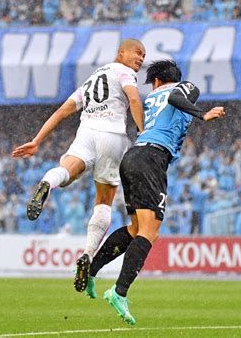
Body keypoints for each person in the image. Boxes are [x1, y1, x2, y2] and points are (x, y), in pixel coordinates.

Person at [84, 59, 224, 325]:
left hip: (133, 156)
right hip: (151, 158)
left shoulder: (149, 100)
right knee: (150, 231)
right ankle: (119, 291)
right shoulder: (184, 87)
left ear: (156, 81)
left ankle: (92, 269)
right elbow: (174, 96)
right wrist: (203, 114)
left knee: (136, 228)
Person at [11, 38, 146, 292]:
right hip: (112, 135)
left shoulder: (92, 78)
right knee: (104, 201)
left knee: (68, 172)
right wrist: (143, 131)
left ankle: (47, 183)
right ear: (121, 53)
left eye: (143, 56)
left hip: (86, 131)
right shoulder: (125, 73)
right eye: (137, 53)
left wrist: (37, 140)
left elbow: (62, 110)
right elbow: (135, 101)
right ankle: (87, 254)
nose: (140, 58)